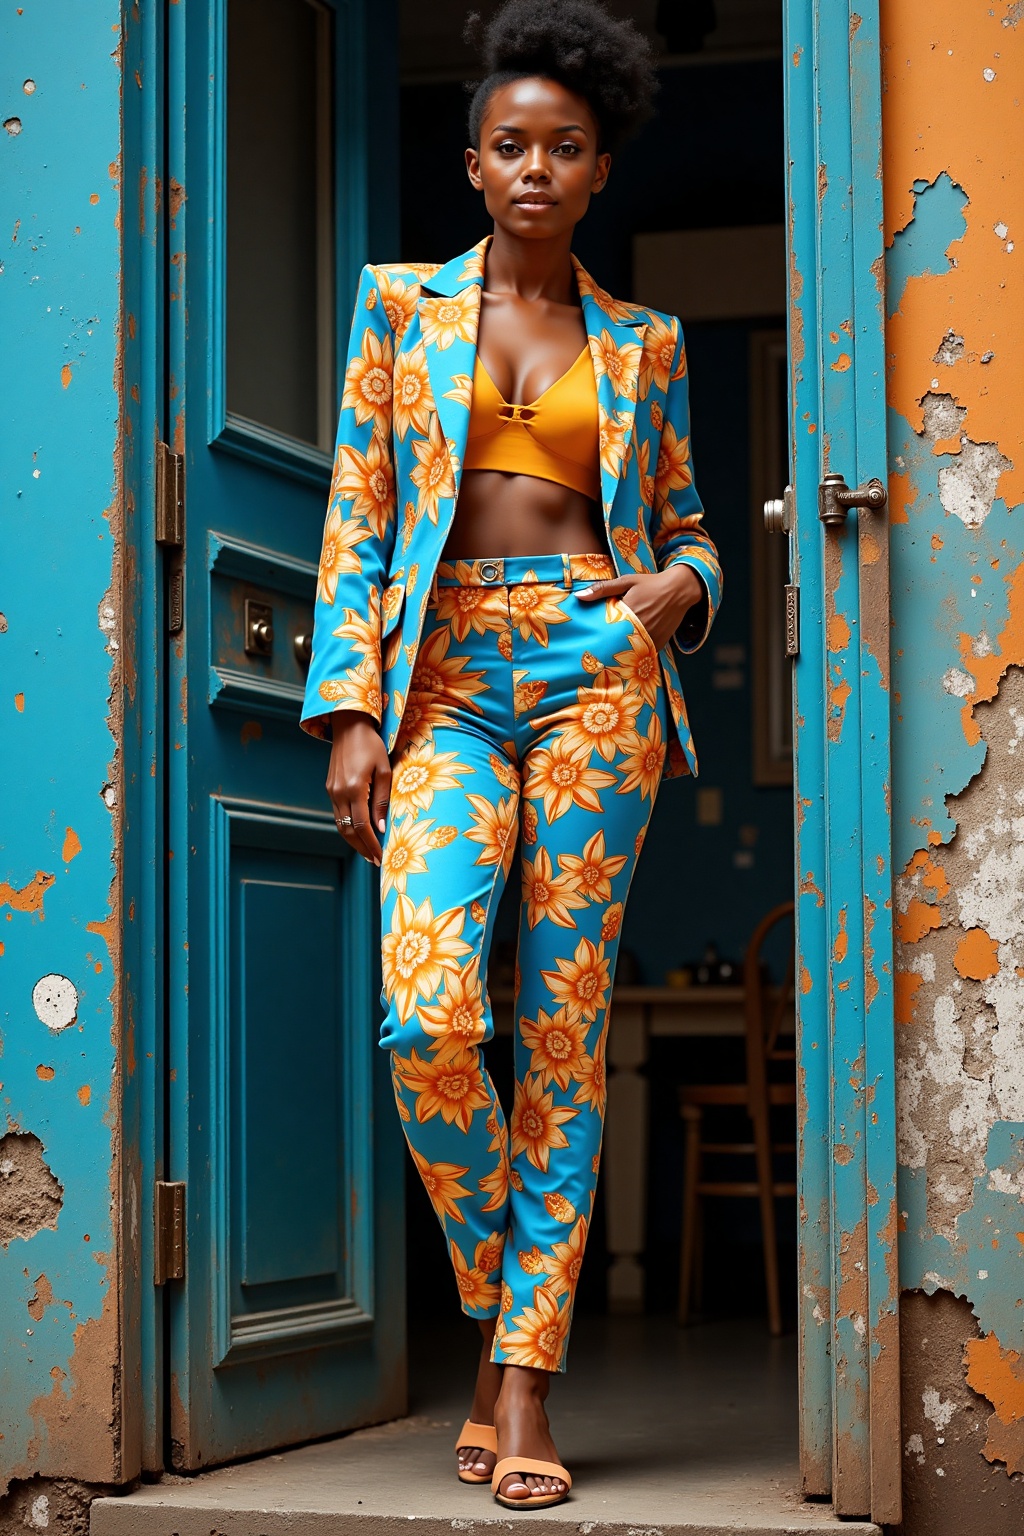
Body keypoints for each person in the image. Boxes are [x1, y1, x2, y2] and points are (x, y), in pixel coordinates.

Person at [301, 0, 722, 1509]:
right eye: (508, 144)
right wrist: (350, 709)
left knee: (558, 1031)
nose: (534, 167)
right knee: (427, 1022)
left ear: (600, 168)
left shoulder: (651, 341)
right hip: (445, 681)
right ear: (472, 164)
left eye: (566, 146)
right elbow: (356, 517)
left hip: (597, 671)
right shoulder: (400, 313)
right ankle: (510, 1314)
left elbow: (681, 531)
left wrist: (690, 586)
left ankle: (525, 1392)